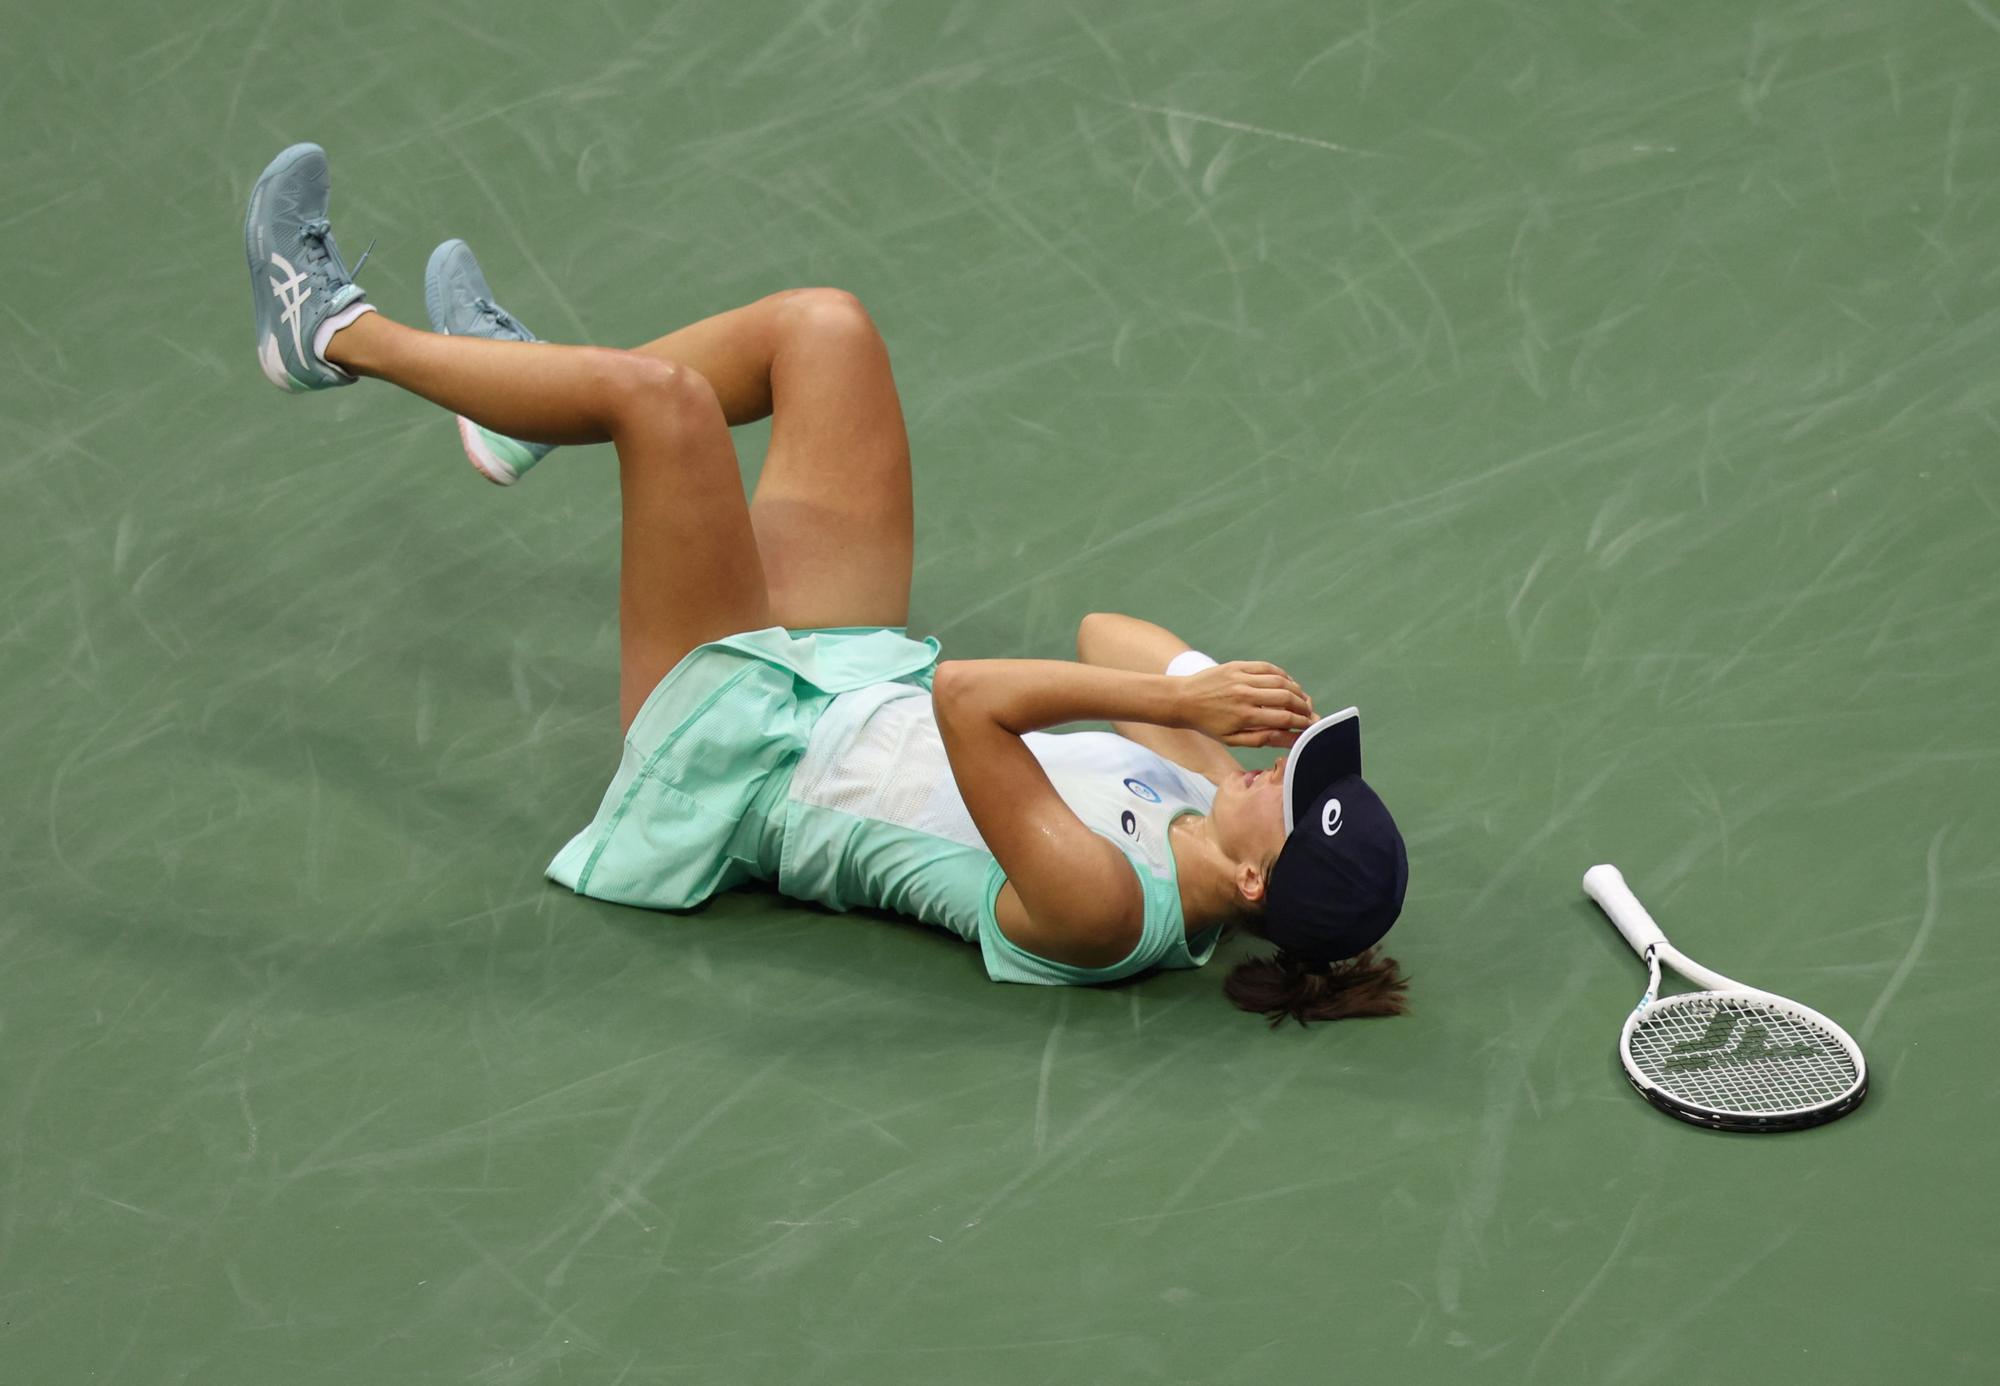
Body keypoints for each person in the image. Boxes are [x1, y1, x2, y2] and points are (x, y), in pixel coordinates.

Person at [243, 143, 1411, 1024]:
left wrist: (1176, 710)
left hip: (745, 754)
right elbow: (1110, 632)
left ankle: (331, 334)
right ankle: (510, 397)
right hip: (849, 673)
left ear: (1253, 881)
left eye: (1287, 787)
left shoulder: (1111, 913)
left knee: (663, 408)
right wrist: (1211, 700)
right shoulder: (1206, 798)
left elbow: (972, 702)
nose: (1273, 765)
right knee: (822, 329)